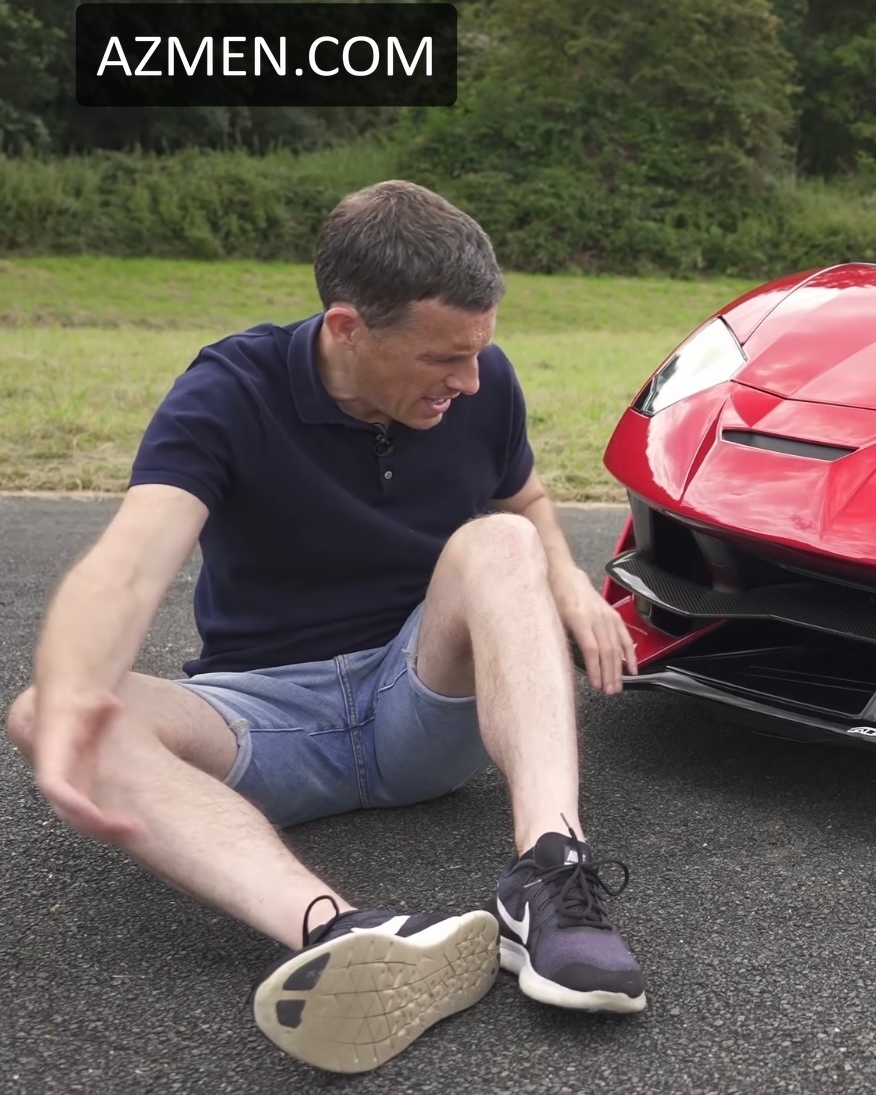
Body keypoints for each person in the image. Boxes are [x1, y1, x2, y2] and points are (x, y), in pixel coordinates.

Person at [6, 181, 647, 1074]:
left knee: (502, 542)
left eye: (478, 352)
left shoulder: (483, 382)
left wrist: (570, 581)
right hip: (264, 719)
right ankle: (341, 931)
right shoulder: (230, 390)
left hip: (418, 699)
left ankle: (550, 871)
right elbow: (129, 564)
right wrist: (79, 689)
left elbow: (526, 499)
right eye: (441, 357)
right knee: (47, 707)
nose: (469, 380)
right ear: (347, 328)